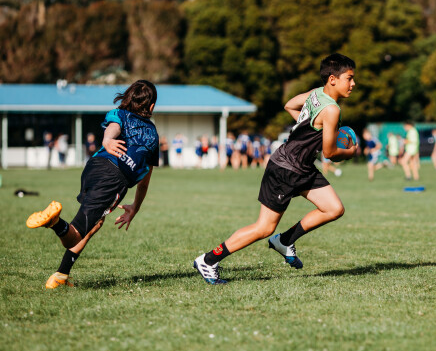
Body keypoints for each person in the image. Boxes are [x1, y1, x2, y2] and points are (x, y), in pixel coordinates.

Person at [193, 53, 358, 284]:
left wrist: (306, 131)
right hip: (285, 169)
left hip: (302, 167)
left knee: (333, 208)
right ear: (333, 79)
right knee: (264, 228)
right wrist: (351, 152)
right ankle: (208, 260)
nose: (353, 83)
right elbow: (330, 153)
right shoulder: (332, 110)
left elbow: (290, 105)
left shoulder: (316, 93)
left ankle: (285, 241)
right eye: (349, 78)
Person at [26, 80, 160, 289]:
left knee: (96, 222)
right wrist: (135, 207)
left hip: (94, 167)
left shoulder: (119, 113)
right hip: (114, 179)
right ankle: (55, 223)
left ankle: (61, 275)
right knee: (73, 236)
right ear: (151, 106)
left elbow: (114, 127)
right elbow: (144, 182)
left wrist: (107, 141)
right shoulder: (152, 135)